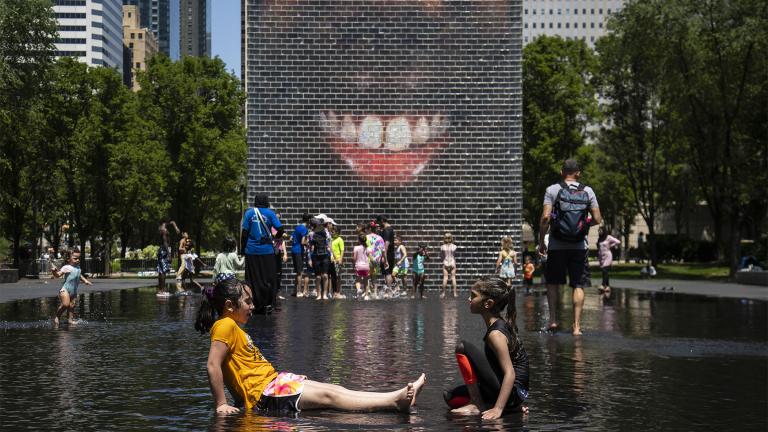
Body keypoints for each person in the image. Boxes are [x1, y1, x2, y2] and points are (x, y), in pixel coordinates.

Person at [195, 276, 426, 414]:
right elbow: (213, 365)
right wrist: (221, 404)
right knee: (329, 396)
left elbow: (243, 368)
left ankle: (397, 398)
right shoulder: (224, 325)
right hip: (266, 394)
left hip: (275, 383)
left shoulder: (232, 326)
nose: (253, 306)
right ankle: (394, 401)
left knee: (335, 390)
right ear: (229, 305)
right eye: (247, 301)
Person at [443, 276, 529, 419]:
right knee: (450, 396)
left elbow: (510, 373)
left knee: (462, 347)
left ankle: (478, 404)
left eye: (473, 296)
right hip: (515, 396)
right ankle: (510, 408)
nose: (469, 300)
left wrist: (498, 409)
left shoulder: (495, 334)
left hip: (513, 393)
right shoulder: (500, 324)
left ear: (488, 303)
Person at [538, 159, 602, 336]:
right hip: (579, 246)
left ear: (561, 172)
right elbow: (597, 218)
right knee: (578, 284)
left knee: (552, 283)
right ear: (578, 173)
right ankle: (576, 327)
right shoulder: (588, 191)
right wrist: (585, 224)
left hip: (557, 245)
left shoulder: (552, 190)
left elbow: (545, 218)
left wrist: (542, 240)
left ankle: (552, 320)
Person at [241, 194, 284, 314]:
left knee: (252, 278)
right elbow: (281, 229)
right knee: (269, 278)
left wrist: (243, 249)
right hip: (267, 251)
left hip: (251, 251)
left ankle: (253, 304)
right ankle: (268, 303)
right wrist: (276, 237)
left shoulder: (249, 213)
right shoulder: (270, 213)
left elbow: (244, 232)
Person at [51, 248, 92, 326]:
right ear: (68, 259)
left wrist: (85, 280)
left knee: (72, 306)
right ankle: (57, 316)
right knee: (65, 304)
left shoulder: (78, 268)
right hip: (65, 290)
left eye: (78, 258)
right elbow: (58, 275)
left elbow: (79, 275)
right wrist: (54, 271)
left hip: (73, 291)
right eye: (75, 258)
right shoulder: (66, 267)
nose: (77, 260)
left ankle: (70, 320)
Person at [309, 220, 331, 301]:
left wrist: (331, 255)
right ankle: (318, 294)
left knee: (325, 275)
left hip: (325, 255)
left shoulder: (326, 232)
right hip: (316, 256)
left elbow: (329, 243)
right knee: (318, 277)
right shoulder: (311, 234)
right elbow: (310, 247)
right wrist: (309, 258)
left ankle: (324, 294)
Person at [157, 219, 180, 295]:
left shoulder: (161, 228)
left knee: (160, 271)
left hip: (161, 250)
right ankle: (163, 290)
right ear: (165, 222)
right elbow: (165, 242)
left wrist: (174, 225)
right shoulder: (164, 230)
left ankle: (160, 290)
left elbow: (172, 223)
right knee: (163, 271)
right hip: (164, 250)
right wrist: (169, 253)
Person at [290, 214, 311, 297]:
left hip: (293, 250)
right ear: (308, 221)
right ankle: (299, 292)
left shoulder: (297, 227)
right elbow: (303, 242)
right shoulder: (304, 229)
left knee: (297, 272)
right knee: (300, 272)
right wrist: (308, 243)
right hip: (299, 251)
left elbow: (291, 238)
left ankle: (295, 291)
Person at [597, 227, 621, 294]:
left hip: (608, 256)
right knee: (604, 271)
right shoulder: (600, 239)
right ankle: (607, 286)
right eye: (599, 231)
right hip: (601, 256)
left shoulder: (608, 237)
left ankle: (602, 285)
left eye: (601, 230)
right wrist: (599, 258)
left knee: (605, 270)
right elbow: (599, 248)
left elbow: (618, 242)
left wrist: (610, 245)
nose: (599, 232)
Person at [377, 215, 395, 296]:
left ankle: (389, 291)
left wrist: (384, 257)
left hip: (387, 254)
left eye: (378, 222)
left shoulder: (387, 230)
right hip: (389, 254)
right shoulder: (388, 229)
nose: (378, 224)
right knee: (387, 272)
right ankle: (388, 290)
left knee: (387, 272)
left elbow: (386, 244)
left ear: (381, 221)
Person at [441, 232, 458, 298]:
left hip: (445, 262)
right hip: (452, 263)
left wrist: (443, 261)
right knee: (453, 278)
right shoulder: (454, 246)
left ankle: (443, 293)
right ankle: (455, 293)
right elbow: (454, 255)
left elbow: (442, 256)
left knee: (445, 278)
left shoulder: (442, 247)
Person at [353, 235, 371, 299]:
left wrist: (353, 264)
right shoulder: (368, 248)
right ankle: (366, 296)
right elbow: (370, 257)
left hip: (358, 266)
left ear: (359, 240)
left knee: (358, 280)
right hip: (366, 266)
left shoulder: (356, 248)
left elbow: (354, 258)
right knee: (366, 281)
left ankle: (358, 290)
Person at [331, 223, 345, 299]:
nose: (332, 233)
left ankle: (338, 292)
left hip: (337, 260)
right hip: (332, 260)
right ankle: (334, 292)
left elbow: (342, 250)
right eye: (332, 231)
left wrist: (340, 260)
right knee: (333, 277)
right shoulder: (332, 239)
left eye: (333, 232)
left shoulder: (340, 240)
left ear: (338, 232)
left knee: (337, 277)